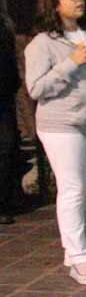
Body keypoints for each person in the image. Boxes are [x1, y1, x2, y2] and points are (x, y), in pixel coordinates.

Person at [25, 0, 86, 284]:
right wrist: (70, 63)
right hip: (60, 125)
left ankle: (76, 252)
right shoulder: (42, 43)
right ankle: (79, 258)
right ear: (54, 4)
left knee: (80, 188)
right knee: (72, 189)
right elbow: (36, 88)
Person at [0, 14, 22, 224]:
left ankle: (4, 202)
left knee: (7, 147)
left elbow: (9, 59)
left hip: (4, 95)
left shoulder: (4, 25)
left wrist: (13, 82)